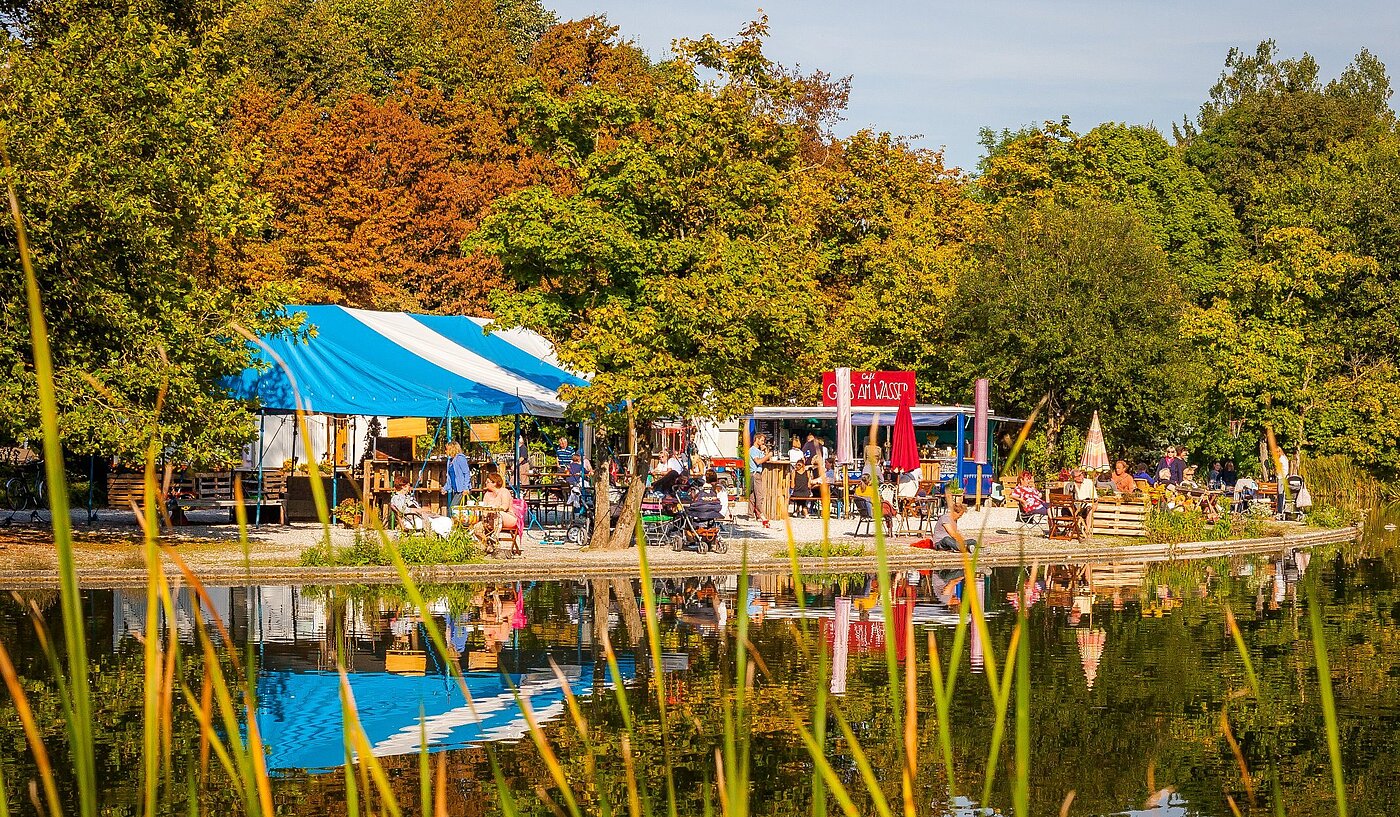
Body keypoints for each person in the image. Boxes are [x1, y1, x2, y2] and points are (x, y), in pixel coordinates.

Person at [471, 472, 519, 556]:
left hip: (507, 517)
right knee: (477, 526)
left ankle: (495, 537)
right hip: (492, 519)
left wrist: (493, 508)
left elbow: (504, 507)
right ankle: (485, 544)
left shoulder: (504, 491)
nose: (486, 483)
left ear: (494, 483)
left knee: (498, 513)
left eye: (488, 482)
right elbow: (485, 508)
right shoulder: (487, 494)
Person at [748, 433, 771, 527]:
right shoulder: (753, 450)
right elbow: (758, 461)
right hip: (754, 474)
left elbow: (763, 458)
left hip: (756, 473)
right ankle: (760, 515)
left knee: (753, 496)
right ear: (756, 439)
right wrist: (768, 455)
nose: (763, 442)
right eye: (761, 440)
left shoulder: (758, 450)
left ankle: (751, 515)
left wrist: (765, 451)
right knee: (759, 495)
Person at [444, 440, 472, 513]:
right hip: (456, 490)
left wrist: (465, 488)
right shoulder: (450, 461)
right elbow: (450, 477)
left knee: (452, 509)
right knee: (455, 511)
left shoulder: (460, 458)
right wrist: (445, 488)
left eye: (446, 449)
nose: (445, 451)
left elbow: (466, 473)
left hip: (462, 489)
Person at [1071, 468, 1097, 536]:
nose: (1081, 477)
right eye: (1078, 476)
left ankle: (1087, 530)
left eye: (1081, 474)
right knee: (1067, 509)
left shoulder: (1089, 482)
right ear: (1074, 478)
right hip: (1075, 506)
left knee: (1090, 509)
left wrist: (1095, 504)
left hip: (1086, 505)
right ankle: (1071, 529)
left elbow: (1095, 498)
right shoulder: (1071, 485)